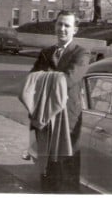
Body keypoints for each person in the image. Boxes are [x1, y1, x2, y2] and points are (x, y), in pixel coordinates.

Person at [29, 10, 90, 193]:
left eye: (67, 25)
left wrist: (46, 77)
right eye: (59, 24)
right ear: (54, 26)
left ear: (75, 30)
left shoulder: (81, 53)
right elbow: (32, 79)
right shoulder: (46, 53)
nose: (62, 29)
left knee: (66, 170)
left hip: (68, 121)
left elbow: (69, 79)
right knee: (47, 169)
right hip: (45, 119)